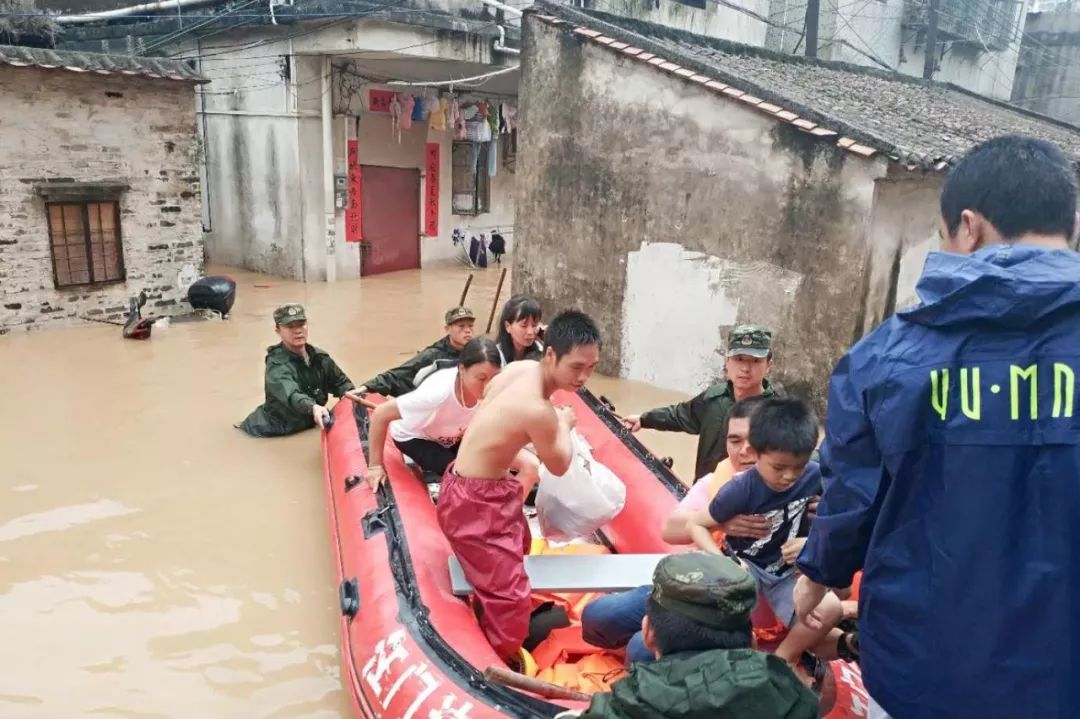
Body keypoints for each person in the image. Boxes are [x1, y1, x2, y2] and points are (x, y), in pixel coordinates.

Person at [794, 135, 1080, 719]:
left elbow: (852, 496)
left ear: (968, 228)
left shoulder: (886, 358)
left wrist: (817, 575)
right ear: (1072, 226)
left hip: (925, 672)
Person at [438, 310, 602, 662]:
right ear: (551, 355)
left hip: (471, 486)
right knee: (511, 602)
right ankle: (497, 660)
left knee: (522, 543)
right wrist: (565, 424)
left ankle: (488, 610)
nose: (583, 377)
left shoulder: (518, 369)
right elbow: (558, 464)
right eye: (576, 367)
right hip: (475, 504)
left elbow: (490, 410)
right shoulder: (540, 410)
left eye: (591, 368)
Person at [581, 396, 772, 664]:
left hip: (737, 610)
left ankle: (673, 656)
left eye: (755, 441)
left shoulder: (799, 492)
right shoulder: (716, 482)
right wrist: (719, 521)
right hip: (694, 586)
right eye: (735, 441)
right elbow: (670, 530)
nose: (743, 451)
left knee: (641, 650)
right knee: (598, 615)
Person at [687, 398, 841, 672]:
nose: (789, 476)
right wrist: (724, 561)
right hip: (748, 567)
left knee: (832, 609)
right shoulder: (740, 490)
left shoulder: (815, 476)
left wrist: (813, 541)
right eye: (779, 468)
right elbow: (696, 525)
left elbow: (841, 518)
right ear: (755, 454)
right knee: (735, 590)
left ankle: (781, 660)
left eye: (798, 466)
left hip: (787, 572)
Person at [567, 552, 817, 719]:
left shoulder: (612, 711)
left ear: (648, 632)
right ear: (752, 642)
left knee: (631, 645)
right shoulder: (797, 699)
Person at [364, 337, 538, 489]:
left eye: (493, 378)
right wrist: (375, 467)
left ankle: (509, 508)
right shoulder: (437, 393)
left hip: (456, 434)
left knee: (526, 465)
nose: (488, 385)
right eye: (481, 378)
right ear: (462, 369)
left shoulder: (496, 388)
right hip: (418, 437)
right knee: (469, 476)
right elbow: (381, 414)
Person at [623, 325, 779, 479]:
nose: (745, 368)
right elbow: (681, 415)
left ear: (768, 366)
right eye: (739, 359)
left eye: (755, 361)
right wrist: (644, 419)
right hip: (704, 491)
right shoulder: (714, 398)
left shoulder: (778, 415)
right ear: (727, 362)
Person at [237, 303, 355, 437]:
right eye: (290, 326)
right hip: (270, 432)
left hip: (307, 424)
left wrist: (351, 396)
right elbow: (292, 395)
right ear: (278, 330)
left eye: (301, 324)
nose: (298, 330)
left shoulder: (320, 358)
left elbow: (342, 383)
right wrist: (313, 407)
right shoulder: (276, 365)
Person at [354, 306, 476, 399]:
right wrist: (366, 387)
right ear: (447, 329)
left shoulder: (479, 353)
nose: (467, 330)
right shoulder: (433, 356)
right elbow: (397, 375)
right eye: (461, 326)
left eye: (470, 326)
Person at [495, 295, 545, 365]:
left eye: (534, 325)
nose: (530, 332)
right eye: (524, 326)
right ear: (508, 326)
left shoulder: (541, 350)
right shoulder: (497, 356)